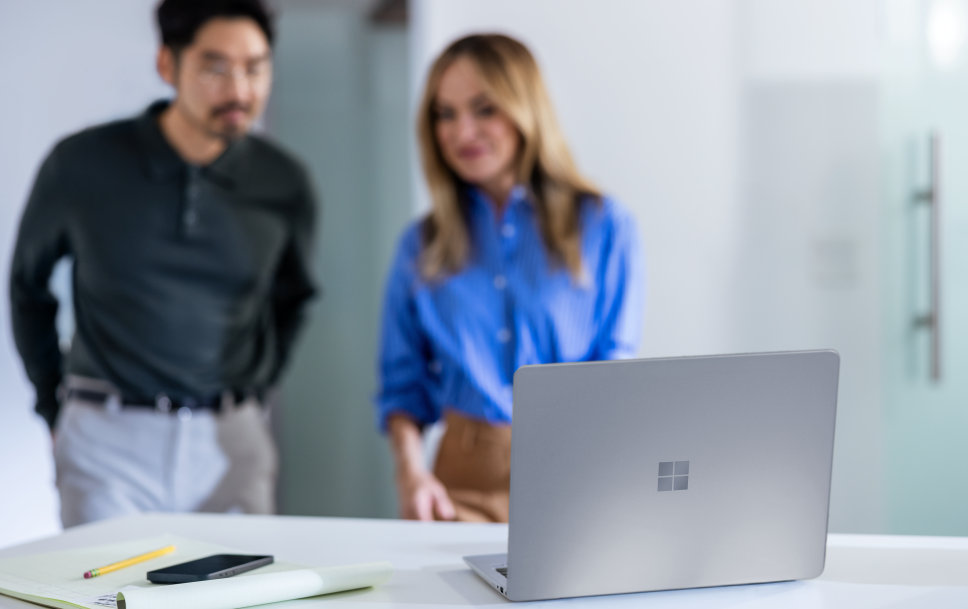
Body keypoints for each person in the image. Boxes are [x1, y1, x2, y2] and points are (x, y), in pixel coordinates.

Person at [9, 0, 317, 527]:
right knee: (107, 599)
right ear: (167, 65)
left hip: (232, 442)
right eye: (215, 67)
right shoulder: (80, 165)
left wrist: (256, 388)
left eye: (255, 67)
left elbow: (293, 298)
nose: (240, 91)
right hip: (108, 441)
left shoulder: (284, 181)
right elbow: (28, 288)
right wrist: (51, 404)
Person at [376, 34, 643, 523]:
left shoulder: (605, 226)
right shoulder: (422, 245)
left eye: (484, 109)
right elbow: (403, 385)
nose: (463, 132)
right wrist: (411, 474)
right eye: (446, 114)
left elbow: (614, 368)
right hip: (459, 480)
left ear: (525, 110)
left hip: (573, 470)